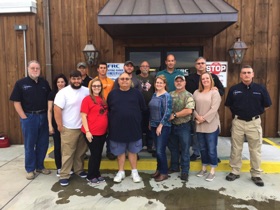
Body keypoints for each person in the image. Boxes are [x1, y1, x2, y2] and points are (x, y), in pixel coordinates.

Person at [225, 65, 272, 187]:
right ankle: (235, 171)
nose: (246, 75)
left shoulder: (260, 88)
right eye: (244, 73)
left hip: (254, 123)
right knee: (236, 148)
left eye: (248, 72)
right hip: (238, 122)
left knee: (255, 149)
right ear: (240, 75)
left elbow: (267, 105)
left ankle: (256, 174)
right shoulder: (234, 89)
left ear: (253, 74)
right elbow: (229, 105)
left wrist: (255, 112)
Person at [10, 60, 51, 180]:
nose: (35, 70)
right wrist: (24, 117)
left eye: (37, 68)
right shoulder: (21, 83)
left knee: (43, 143)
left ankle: (40, 166)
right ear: (28, 69)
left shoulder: (44, 83)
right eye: (33, 68)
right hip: (29, 117)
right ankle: (30, 169)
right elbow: (16, 102)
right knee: (29, 144)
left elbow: (50, 98)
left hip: (43, 116)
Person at [107, 72, 146, 183]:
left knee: (133, 152)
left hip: (134, 128)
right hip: (117, 129)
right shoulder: (112, 94)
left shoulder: (137, 94)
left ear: (131, 81)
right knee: (120, 153)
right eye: (122, 79)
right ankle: (121, 172)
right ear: (118, 81)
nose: (124, 81)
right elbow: (109, 110)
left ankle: (134, 172)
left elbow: (143, 109)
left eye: (127, 79)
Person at [54, 70, 89, 186]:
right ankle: (65, 174)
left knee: (80, 152)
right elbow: (57, 109)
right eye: (74, 79)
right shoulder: (63, 92)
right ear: (70, 79)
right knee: (67, 153)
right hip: (69, 128)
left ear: (81, 79)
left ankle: (79, 170)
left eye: (78, 78)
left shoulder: (87, 91)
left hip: (83, 127)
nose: (76, 81)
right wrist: (60, 125)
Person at [186, 57, 224, 161]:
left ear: (205, 65)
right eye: (198, 63)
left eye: (202, 63)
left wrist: (217, 89)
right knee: (196, 135)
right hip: (196, 111)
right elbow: (188, 95)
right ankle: (196, 152)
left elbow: (222, 90)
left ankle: (213, 155)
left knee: (211, 137)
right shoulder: (190, 78)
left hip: (210, 112)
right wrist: (195, 114)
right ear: (195, 65)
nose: (200, 65)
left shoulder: (214, 77)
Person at [193, 72, 221, 182]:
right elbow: (192, 107)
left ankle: (212, 170)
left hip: (211, 124)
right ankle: (204, 167)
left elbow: (214, 109)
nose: (205, 80)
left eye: (207, 78)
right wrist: (197, 117)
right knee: (202, 148)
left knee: (211, 149)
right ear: (201, 81)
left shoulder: (214, 93)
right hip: (199, 124)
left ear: (210, 80)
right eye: (203, 79)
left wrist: (203, 118)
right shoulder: (196, 92)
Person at [81, 78, 108, 184]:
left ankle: (97, 173)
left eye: (98, 86)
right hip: (92, 132)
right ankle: (91, 175)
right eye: (94, 86)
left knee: (98, 153)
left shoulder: (102, 99)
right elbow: (83, 116)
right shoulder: (87, 99)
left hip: (102, 132)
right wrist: (87, 131)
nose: (96, 87)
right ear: (91, 87)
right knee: (95, 154)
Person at [168, 75, 195, 181]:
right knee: (173, 148)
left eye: (181, 81)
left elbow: (189, 110)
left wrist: (174, 115)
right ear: (174, 83)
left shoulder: (188, 95)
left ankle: (185, 171)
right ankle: (174, 167)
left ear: (185, 83)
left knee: (185, 149)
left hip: (184, 126)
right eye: (177, 81)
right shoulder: (170, 95)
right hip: (171, 126)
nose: (179, 83)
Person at [149, 75, 172, 182]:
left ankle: (164, 172)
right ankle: (158, 169)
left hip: (163, 126)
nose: (158, 84)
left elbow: (167, 112)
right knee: (157, 149)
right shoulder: (155, 94)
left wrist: (160, 125)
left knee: (160, 151)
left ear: (164, 84)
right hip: (153, 125)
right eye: (157, 82)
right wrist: (150, 122)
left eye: (160, 83)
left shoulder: (166, 96)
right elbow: (152, 110)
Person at [47, 73, 68, 176]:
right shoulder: (52, 94)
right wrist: (50, 125)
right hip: (56, 124)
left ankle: (68, 166)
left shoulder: (69, 92)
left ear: (65, 83)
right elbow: (50, 110)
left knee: (68, 147)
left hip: (68, 124)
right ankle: (59, 167)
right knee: (58, 146)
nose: (60, 84)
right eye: (58, 82)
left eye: (62, 82)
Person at [95, 62, 116, 160]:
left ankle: (110, 151)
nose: (103, 69)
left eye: (104, 68)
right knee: (99, 131)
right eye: (101, 68)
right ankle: (97, 152)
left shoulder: (111, 82)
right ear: (98, 70)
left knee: (110, 131)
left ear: (107, 70)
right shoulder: (93, 82)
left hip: (109, 109)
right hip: (97, 110)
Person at [137, 61, 155, 153]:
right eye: (143, 66)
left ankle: (149, 145)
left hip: (150, 107)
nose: (145, 67)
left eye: (146, 66)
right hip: (138, 107)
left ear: (149, 68)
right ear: (140, 68)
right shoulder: (136, 78)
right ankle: (139, 145)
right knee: (139, 126)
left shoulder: (153, 78)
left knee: (149, 127)